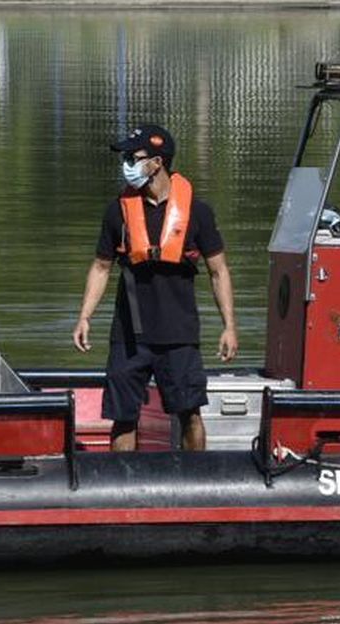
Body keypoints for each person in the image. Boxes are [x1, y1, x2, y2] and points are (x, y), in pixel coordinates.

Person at [73, 123, 238, 451]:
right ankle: (123, 485)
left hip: (179, 334)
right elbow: (101, 267)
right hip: (129, 336)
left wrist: (229, 327)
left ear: (157, 162)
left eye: (134, 157)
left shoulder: (198, 213)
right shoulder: (116, 212)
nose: (127, 164)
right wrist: (84, 317)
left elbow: (218, 271)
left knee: (189, 414)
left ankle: (194, 482)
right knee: (123, 416)